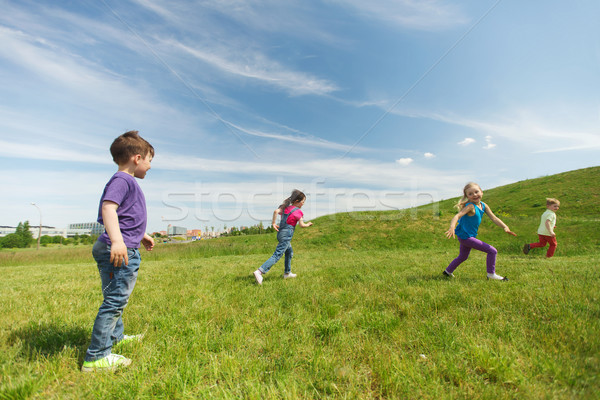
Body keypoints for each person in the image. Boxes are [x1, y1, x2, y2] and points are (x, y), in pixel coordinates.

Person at [82, 131, 155, 372]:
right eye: (149, 160)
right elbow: (108, 209)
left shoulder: (123, 181)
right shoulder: (123, 180)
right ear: (137, 158)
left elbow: (122, 215)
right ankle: (96, 357)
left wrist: (140, 234)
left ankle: (115, 337)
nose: (150, 166)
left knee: (113, 295)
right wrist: (118, 241)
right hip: (119, 249)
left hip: (115, 244)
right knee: (115, 300)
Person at [443, 182, 516, 281]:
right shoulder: (470, 207)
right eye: (470, 194)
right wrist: (452, 227)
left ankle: (447, 272)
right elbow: (457, 216)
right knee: (492, 251)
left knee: (463, 256)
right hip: (466, 237)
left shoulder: (484, 205)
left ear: (481, 192)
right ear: (467, 197)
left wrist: (505, 227)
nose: (474, 195)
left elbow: (494, 218)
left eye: (476, 192)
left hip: (468, 236)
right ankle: (491, 274)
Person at [253, 190, 313, 285]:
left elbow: (276, 211)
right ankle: (260, 272)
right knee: (277, 254)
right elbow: (302, 225)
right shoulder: (298, 212)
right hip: (287, 235)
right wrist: (308, 224)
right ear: (297, 200)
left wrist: (273, 223)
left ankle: (287, 273)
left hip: (280, 233)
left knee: (289, 252)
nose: (303, 203)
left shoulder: (286, 208)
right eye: (303, 201)